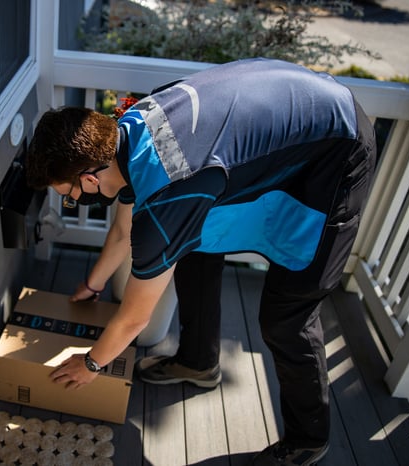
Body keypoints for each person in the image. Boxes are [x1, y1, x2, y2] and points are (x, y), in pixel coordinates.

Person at [25, 58, 375, 466]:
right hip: (292, 120)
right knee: (195, 244)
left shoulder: (169, 194)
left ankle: (309, 437)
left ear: (88, 178)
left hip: (340, 147)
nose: (71, 199)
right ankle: (198, 362)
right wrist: (94, 283)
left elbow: (136, 317)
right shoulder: (127, 132)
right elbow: (122, 231)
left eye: (67, 193)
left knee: (287, 316)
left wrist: (90, 364)